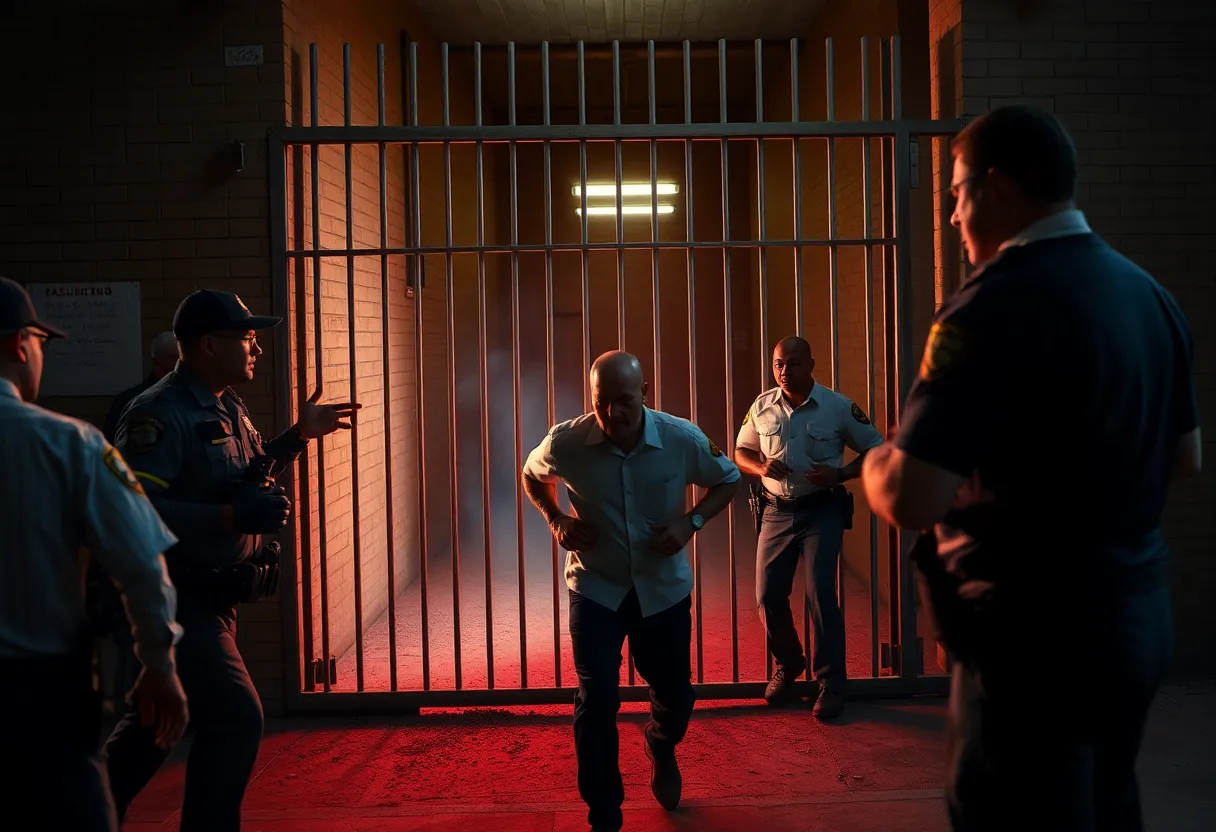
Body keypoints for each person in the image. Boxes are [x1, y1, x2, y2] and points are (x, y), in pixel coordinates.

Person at [860, 105, 1202, 831]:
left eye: (957, 192)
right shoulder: (1149, 296)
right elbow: (1183, 459)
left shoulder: (990, 307)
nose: (953, 214)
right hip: (1135, 618)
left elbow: (914, 496)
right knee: (1107, 803)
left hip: (1030, 639)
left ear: (998, 186)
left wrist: (876, 461)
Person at [102, 289, 360, 831]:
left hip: (214, 598)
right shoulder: (158, 414)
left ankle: (82, 811)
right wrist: (228, 517)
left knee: (158, 723)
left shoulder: (226, 404)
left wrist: (296, 438)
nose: (256, 348)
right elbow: (131, 509)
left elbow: (247, 476)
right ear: (207, 345)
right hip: (176, 599)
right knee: (237, 717)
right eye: (245, 338)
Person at [522, 351, 740, 832]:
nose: (612, 413)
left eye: (624, 401)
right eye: (601, 402)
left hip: (662, 591)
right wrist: (557, 519)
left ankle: (661, 744)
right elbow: (532, 475)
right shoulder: (567, 441)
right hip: (596, 588)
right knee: (596, 700)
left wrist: (691, 521)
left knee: (677, 696)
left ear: (644, 393)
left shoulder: (681, 439)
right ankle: (604, 815)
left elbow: (729, 478)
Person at [0, 276, 189, 831]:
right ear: (19, 344)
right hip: (40, 695)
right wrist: (158, 663)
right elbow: (140, 562)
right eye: (42, 342)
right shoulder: (70, 444)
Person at [734, 336, 883, 719]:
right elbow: (740, 452)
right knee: (768, 594)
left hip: (822, 510)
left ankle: (830, 682)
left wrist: (840, 474)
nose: (785, 371)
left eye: (794, 364)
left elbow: (875, 448)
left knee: (820, 593)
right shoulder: (762, 405)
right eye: (779, 364)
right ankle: (789, 664)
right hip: (775, 511)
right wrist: (760, 467)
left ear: (811, 365)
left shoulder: (837, 407)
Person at [93, 330, 181, 711]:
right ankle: (136, 712)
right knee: (136, 635)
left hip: (148, 536)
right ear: (161, 362)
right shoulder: (141, 405)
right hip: (142, 535)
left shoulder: (137, 402)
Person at [102, 331, 179, 443]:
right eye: (174, 357)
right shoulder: (130, 401)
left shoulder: (193, 397)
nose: (180, 363)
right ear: (157, 361)